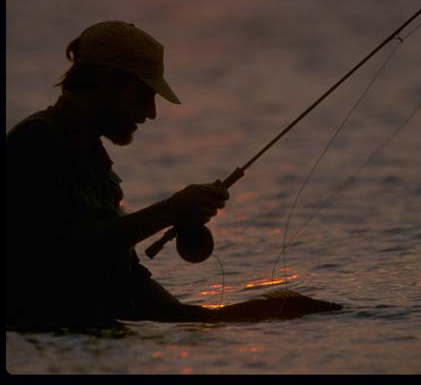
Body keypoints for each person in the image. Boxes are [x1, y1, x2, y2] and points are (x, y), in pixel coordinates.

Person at [7, 21, 341, 328]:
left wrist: (202, 318)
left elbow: (122, 273)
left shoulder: (90, 155)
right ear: (109, 83)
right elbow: (66, 251)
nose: (151, 113)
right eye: (144, 95)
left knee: (296, 311)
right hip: (55, 322)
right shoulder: (36, 142)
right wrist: (170, 211)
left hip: (98, 319)